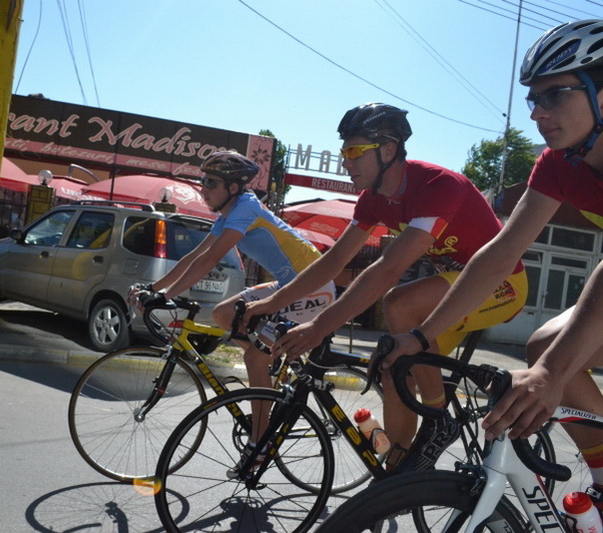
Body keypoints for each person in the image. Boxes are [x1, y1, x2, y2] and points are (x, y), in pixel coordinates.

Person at [383, 19, 603, 502]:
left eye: (554, 95)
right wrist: (423, 335)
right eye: (533, 99)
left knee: (553, 359)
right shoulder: (558, 164)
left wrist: (552, 375)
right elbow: (500, 254)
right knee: (545, 344)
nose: (537, 113)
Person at [243, 103, 527, 472]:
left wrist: (319, 326)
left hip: (502, 286)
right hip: (455, 294)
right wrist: (272, 303)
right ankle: (397, 471)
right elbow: (332, 262)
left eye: (354, 152)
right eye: (343, 152)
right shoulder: (374, 199)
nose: (345, 162)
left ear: (388, 150)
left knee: (399, 303)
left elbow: (389, 269)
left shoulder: (438, 186)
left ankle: (438, 419)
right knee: (394, 371)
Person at [130, 150, 337, 478]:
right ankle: (271, 368)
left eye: (210, 182)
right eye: (202, 181)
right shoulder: (230, 212)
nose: (203, 188)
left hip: (314, 288)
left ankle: (259, 443)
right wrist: (154, 289)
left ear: (234, 187)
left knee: (255, 357)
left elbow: (210, 260)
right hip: (291, 284)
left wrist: (165, 296)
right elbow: (194, 256)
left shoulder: (246, 208)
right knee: (224, 314)